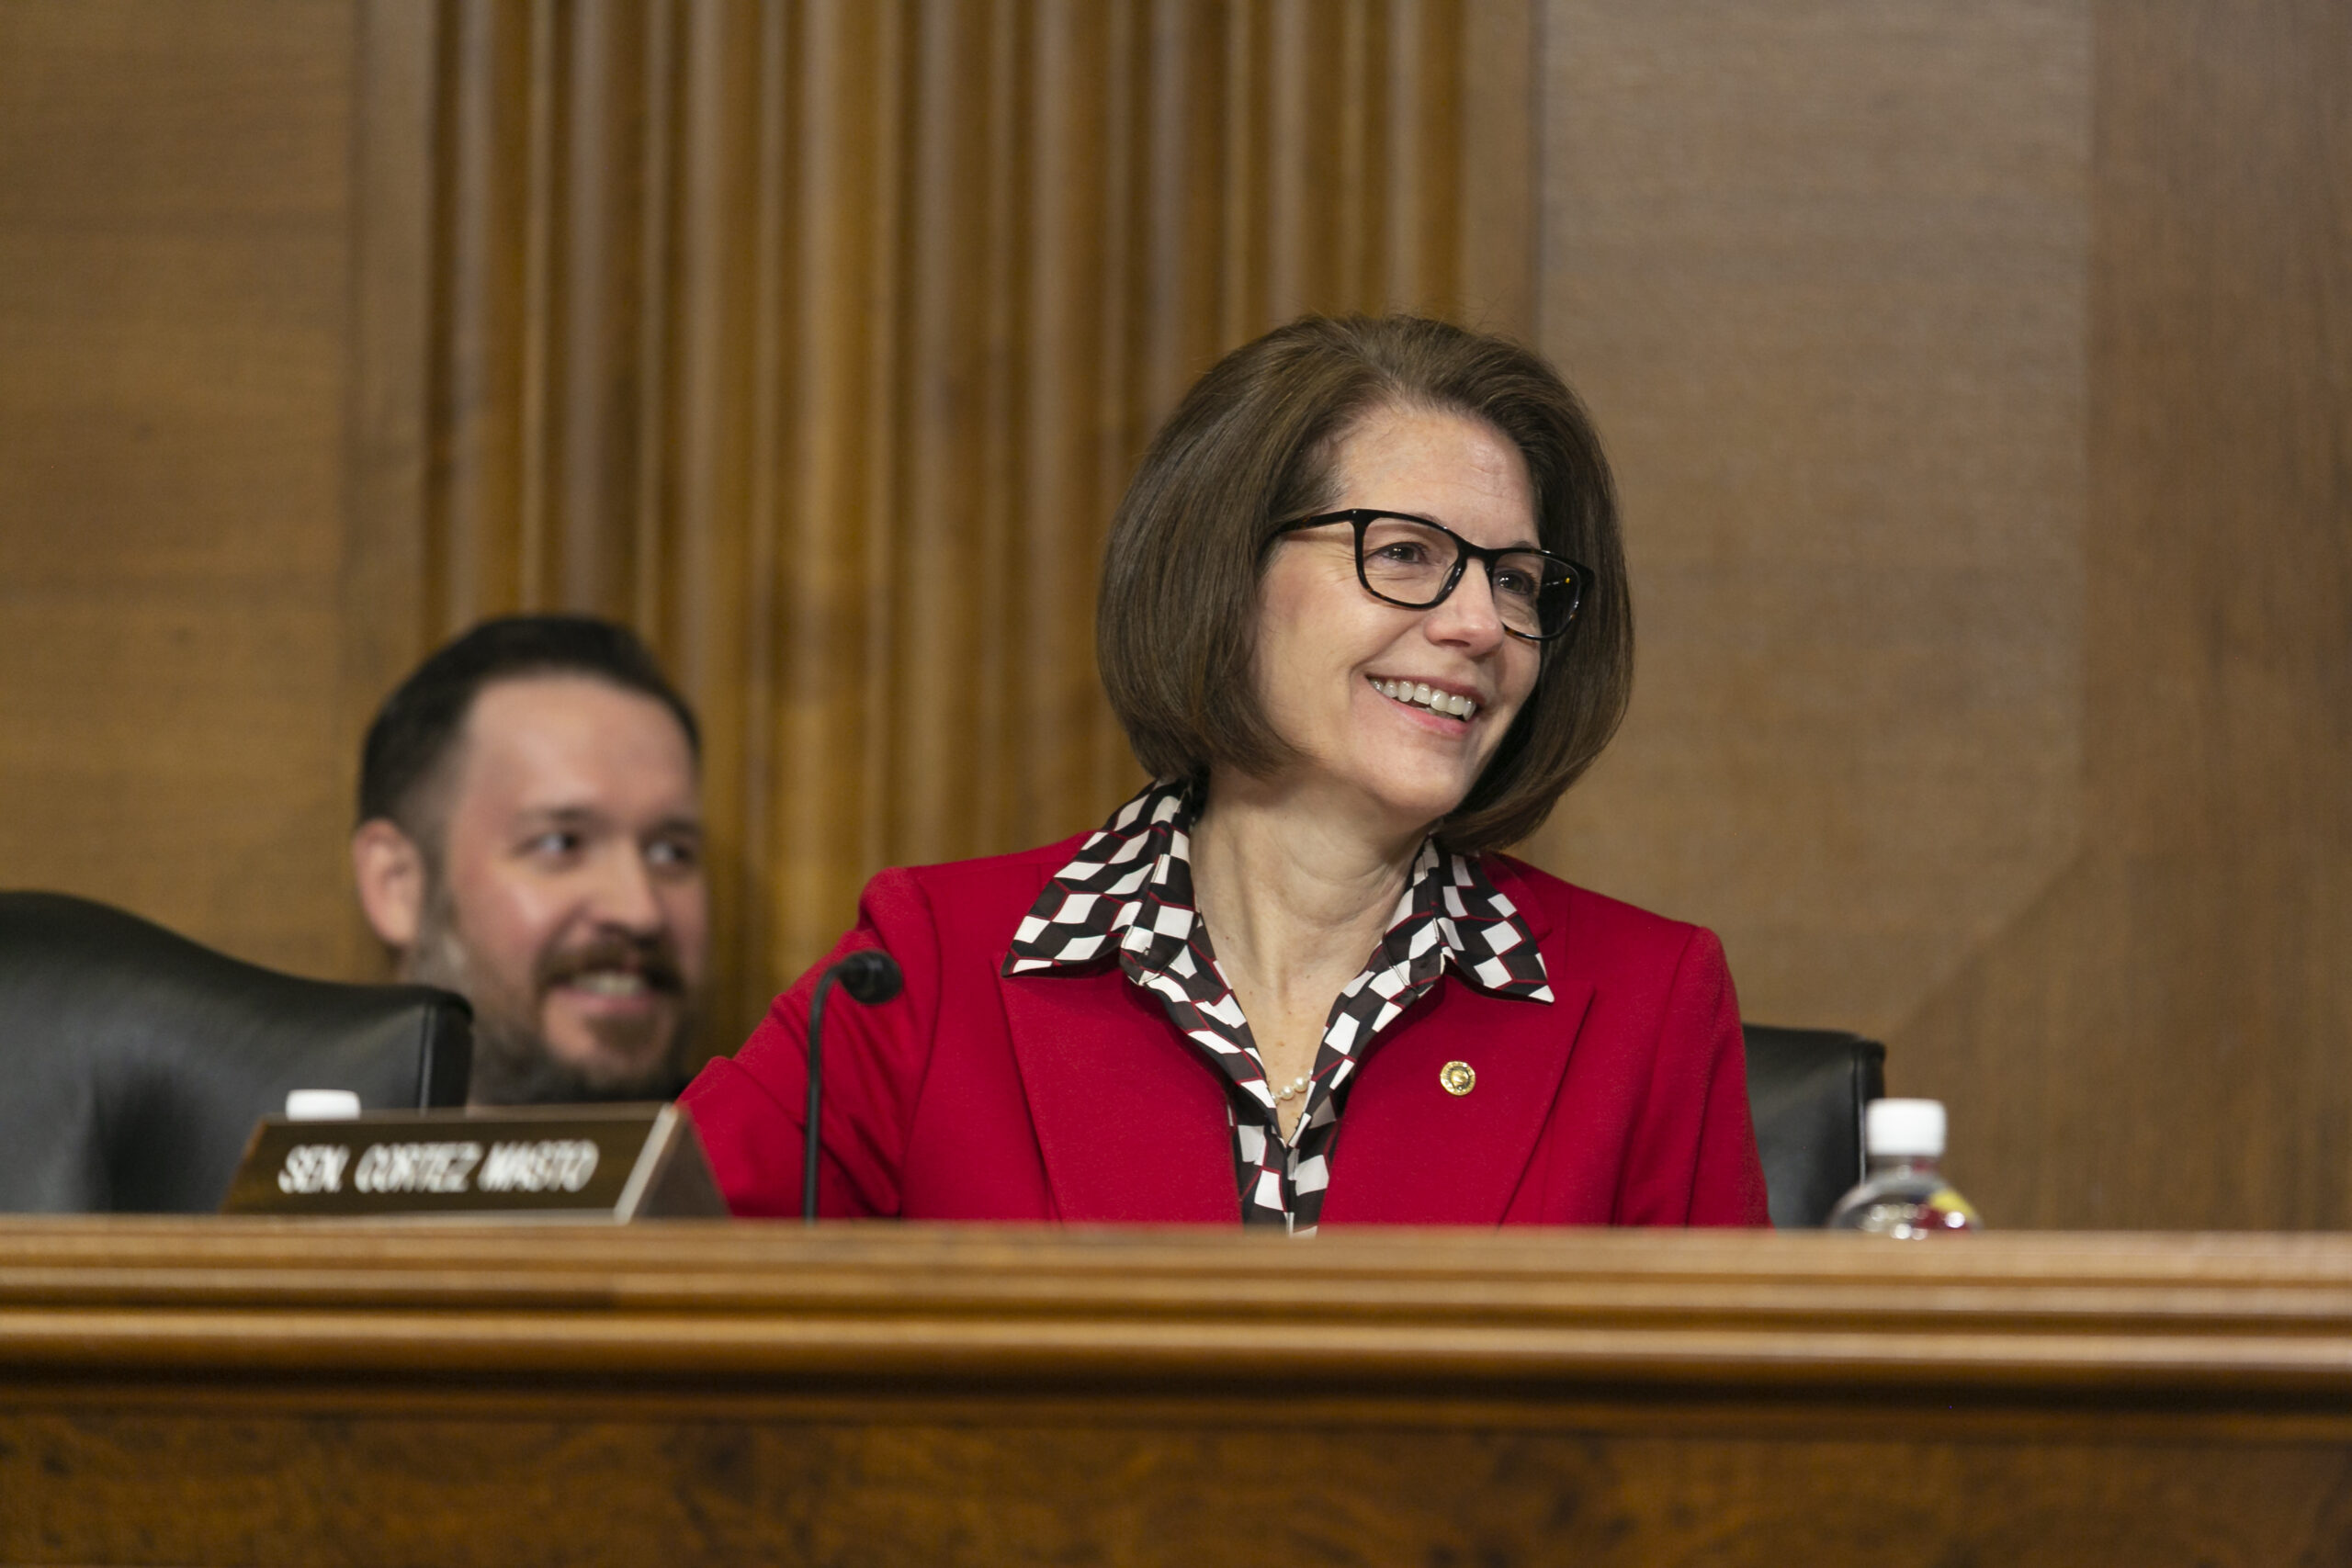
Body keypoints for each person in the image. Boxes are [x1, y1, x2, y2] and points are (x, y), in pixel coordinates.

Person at [682, 314, 1769, 1230]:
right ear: (1224, 569)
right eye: (1405, 556)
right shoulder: (926, 971)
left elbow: (1729, 1456)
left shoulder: (1643, 1006)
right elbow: (630, 1285)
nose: (1481, 625)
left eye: (1520, 582)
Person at [351, 615, 709, 1105]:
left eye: (671, 853)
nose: (640, 911)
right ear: (397, 885)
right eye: (561, 844)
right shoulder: (258, 1173)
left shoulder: (788, 1176)